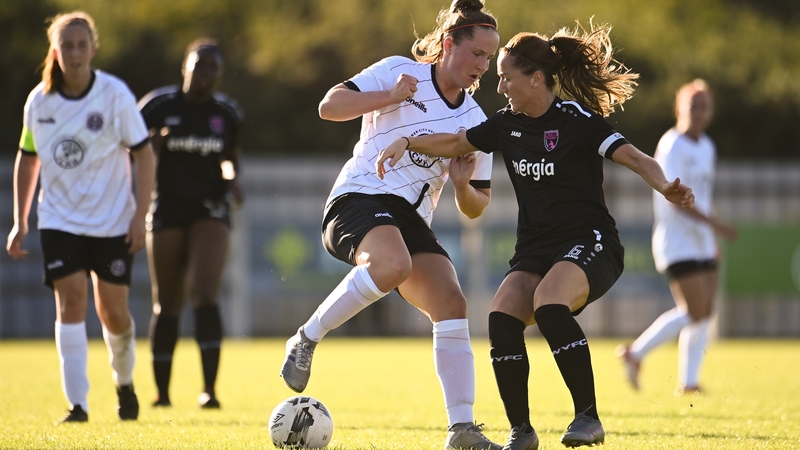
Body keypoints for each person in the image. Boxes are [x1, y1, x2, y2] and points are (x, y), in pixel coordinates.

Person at [377, 23, 695, 449]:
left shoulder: (576, 121)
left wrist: (665, 186)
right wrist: (405, 140)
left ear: (536, 79)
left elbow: (635, 157)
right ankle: (521, 432)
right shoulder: (506, 124)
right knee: (502, 317)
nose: (501, 86)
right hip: (536, 248)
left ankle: (588, 418)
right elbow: (455, 141)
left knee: (549, 303)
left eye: (506, 77)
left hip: (591, 240)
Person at [279, 1, 503, 448]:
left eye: (489, 58)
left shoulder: (477, 121)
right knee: (392, 263)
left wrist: (461, 187)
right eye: (476, 53)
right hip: (359, 197)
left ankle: (461, 429)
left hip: (411, 220)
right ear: (447, 44)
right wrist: (390, 97)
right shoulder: (401, 71)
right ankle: (306, 338)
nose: (483, 66)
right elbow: (330, 106)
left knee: (451, 302)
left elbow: (477, 206)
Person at [6, 11, 155, 423]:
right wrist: (21, 219)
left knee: (114, 313)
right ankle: (78, 405)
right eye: (66, 45)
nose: (74, 52)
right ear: (55, 50)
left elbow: (144, 154)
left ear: (93, 48)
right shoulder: (39, 101)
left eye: (81, 45)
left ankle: (124, 384)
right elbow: (28, 157)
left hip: (111, 221)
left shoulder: (114, 95)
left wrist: (140, 214)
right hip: (59, 219)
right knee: (70, 301)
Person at [138, 38, 244, 409]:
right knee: (166, 302)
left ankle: (209, 391)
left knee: (203, 292)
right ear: (185, 66)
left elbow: (230, 158)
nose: (206, 73)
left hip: (210, 208)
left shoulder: (227, 113)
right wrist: (154, 146)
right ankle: (162, 393)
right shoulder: (157, 106)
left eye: (214, 67)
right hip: (166, 207)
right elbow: (131, 154)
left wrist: (232, 181)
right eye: (200, 65)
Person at [616, 79, 737, 395]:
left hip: (701, 239)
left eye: (703, 106)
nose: (698, 112)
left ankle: (689, 382)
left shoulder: (707, 146)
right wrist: (717, 225)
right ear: (680, 108)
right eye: (692, 105)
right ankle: (636, 352)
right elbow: (678, 199)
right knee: (695, 311)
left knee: (704, 313)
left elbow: (705, 195)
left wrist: (710, 236)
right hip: (677, 238)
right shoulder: (672, 144)